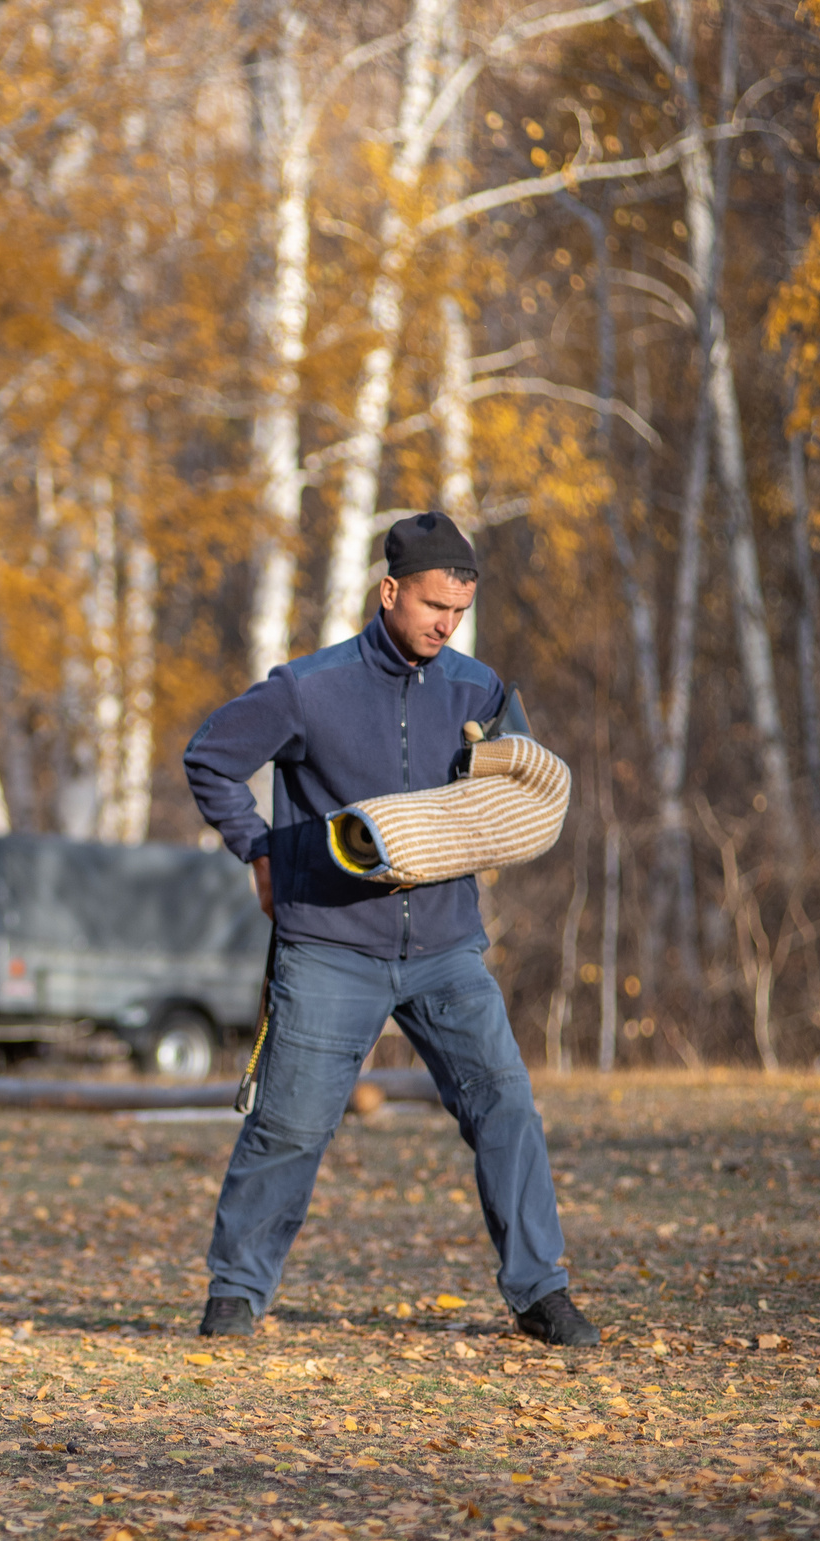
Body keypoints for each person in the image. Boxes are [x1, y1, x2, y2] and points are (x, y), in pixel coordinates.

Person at [181, 512, 598, 1347]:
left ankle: (539, 1292)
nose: (447, 624)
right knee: (291, 1124)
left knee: (507, 1105)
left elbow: (508, 796)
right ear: (390, 592)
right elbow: (211, 758)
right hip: (331, 944)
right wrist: (261, 852)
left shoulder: (479, 688)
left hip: (446, 947)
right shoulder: (307, 688)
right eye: (435, 605)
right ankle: (236, 1292)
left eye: (460, 610)